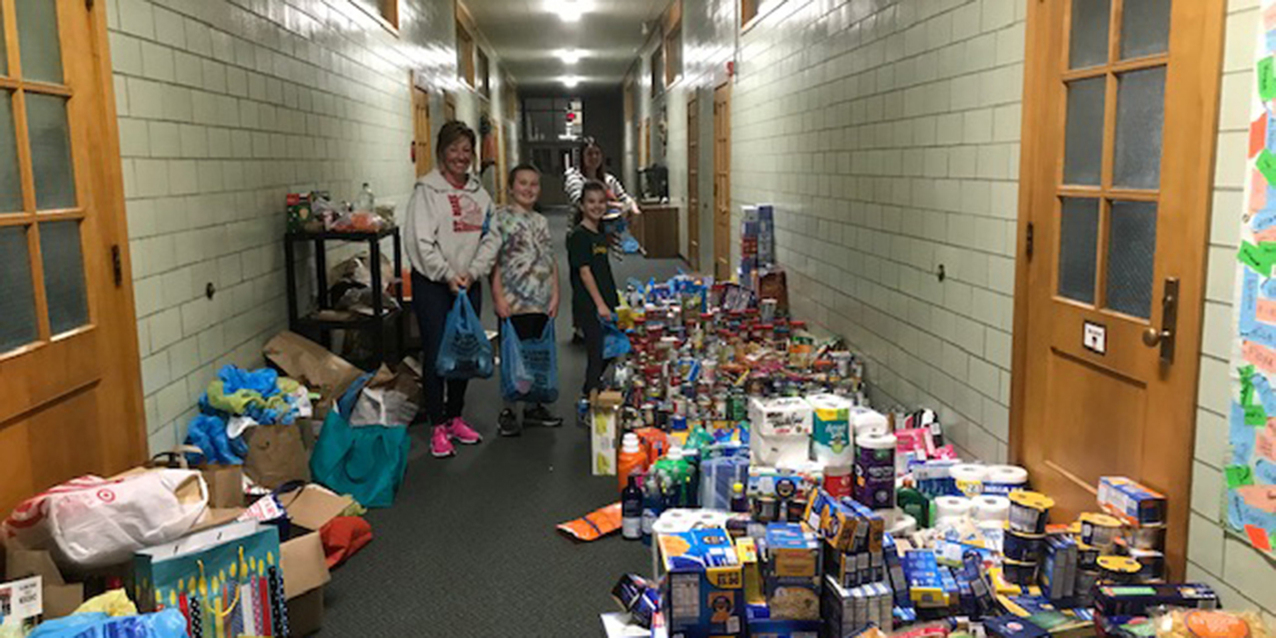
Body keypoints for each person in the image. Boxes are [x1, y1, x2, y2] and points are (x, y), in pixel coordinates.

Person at [405, 120, 500, 459]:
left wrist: (473, 272)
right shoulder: (427, 191)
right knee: (436, 353)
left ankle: (455, 416)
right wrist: (446, 273)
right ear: (442, 152)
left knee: (464, 351)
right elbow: (420, 241)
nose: (461, 157)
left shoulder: (478, 193)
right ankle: (436, 426)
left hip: (468, 282)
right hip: (434, 284)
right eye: (454, 149)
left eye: (466, 150)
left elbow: (492, 236)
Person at [491, 164, 563, 437]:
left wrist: (555, 292)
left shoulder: (540, 221)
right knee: (514, 356)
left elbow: (550, 258)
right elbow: (494, 263)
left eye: (534, 184)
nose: (529, 189)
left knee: (537, 354)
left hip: (540, 301)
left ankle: (534, 406)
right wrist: (498, 297)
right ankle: (509, 410)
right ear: (511, 187)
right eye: (523, 183)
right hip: (513, 301)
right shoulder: (501, 219)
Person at [564, 137, 640, 342]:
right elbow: (580, 198)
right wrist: (613, 205)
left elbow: (624, 197)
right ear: (581, 156)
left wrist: (631, 207)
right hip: (581, 235)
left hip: (601, 235)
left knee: (600, 275)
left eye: (597, 153)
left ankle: (602, 318)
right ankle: (582, 328)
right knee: (582, 279)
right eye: (589, 153)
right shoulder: (574, 177)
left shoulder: (609, 179)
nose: (594, 157)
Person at [568, 181, 620, 399]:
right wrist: (599, 305)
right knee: (596, 352)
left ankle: (592, 387)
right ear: (581, 205)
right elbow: (585, 272)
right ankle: (590, 396)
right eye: (591, 202)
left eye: (601, 202)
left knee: (612, 348)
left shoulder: (599, 232)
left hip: (606, 299)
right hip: (590, 304)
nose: (597, 206)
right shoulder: (578, 236)